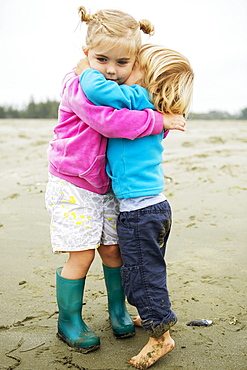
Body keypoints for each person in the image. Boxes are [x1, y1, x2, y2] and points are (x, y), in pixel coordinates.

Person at [45, 6, 185, 354]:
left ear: (136, 62)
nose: (110, 70)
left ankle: (118, 309)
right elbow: (108, 122)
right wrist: (159, 121)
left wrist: (159, 113)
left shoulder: (127, 91)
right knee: (81, 254)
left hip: (108, 186)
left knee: (112, 250)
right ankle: (69, 320)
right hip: (73, 182)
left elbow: (134, 133)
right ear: (86, 54)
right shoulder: (79, 84)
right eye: (101, 59)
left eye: (122, 63)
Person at [76, 44, 194, 368]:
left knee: (143, 276)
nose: (124, 71)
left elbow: (97, 91)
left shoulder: (138, 98)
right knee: (144, 272)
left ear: (148, 78)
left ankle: (161, 338)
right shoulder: (154, 112)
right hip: (154, 208)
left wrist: (84, 67)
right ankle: (154, 315)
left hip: (140, 213)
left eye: (135, 65)